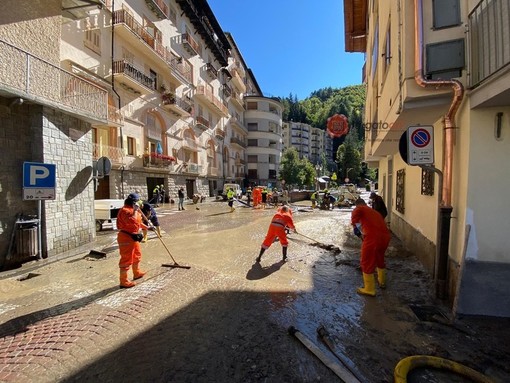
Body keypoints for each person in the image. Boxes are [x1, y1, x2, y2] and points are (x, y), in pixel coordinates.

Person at [351, 198, 391, 296]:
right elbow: (366, 224)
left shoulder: (359, 208)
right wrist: (361, 232)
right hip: (385, 238)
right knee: (379, 258)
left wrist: (356, 230)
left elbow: (355, 220)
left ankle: (369, 289)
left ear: (358, 205)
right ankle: (382, 282)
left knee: (366, 261)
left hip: (373, 238)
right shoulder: (374, 212)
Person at [116, 193, 149, 288]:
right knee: (126, 259)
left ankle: (136, 272)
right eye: (138, 201)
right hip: (126, 237)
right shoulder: (125, 210)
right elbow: (131, 221)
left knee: (137, 255)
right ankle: (123, 281)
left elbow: (138, 223)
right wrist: (135, 210)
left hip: (134, 237)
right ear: (133, 202)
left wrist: (148, 227)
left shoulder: (135, 211)